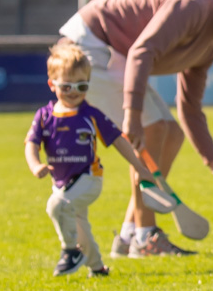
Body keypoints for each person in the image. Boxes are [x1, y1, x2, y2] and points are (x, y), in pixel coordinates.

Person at [58, 0, 213, 258]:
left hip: (113, 54)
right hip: (87, 46)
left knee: (171, 132)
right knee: (154, 128)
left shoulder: (208, 48)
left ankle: (130, 234)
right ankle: (144, 235)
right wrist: (133, 115)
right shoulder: (192, 6)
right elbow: (143, 51)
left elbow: (189, 108)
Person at [24, 40, 161, 278]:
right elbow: (31, 144)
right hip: (61, 182)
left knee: (56, 206)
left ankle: (70, 251)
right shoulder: (44, 116)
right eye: (67, 86)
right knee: (78, 222)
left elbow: (119, 140)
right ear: (51, 84)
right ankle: (97, 267)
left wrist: (139, 167)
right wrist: (35, 165)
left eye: (82, 85)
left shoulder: (91, 114)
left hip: (89, 178)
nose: (75, 91)